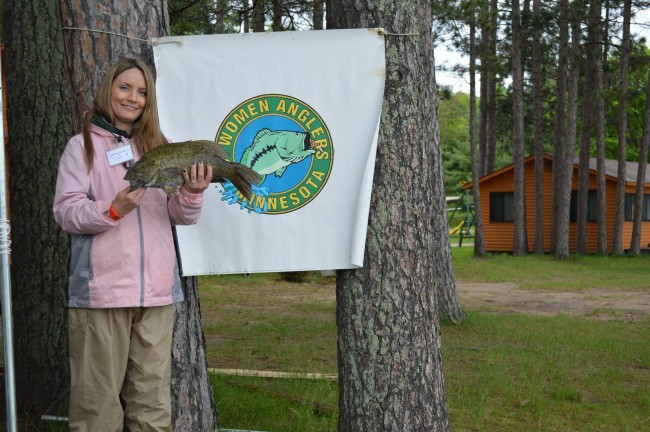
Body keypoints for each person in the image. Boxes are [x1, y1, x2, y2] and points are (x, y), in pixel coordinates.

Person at [53, 57, 213, 432]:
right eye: (125, 87)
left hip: (156, 294)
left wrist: (191, 193)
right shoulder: (82, 148)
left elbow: (181, 216)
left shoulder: (160, 146)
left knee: (152, 405)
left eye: (142, 92)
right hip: (101, 293)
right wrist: (111, 210)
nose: (133, 98)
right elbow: (65, 212)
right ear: (108, 88)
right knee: (97, 406)